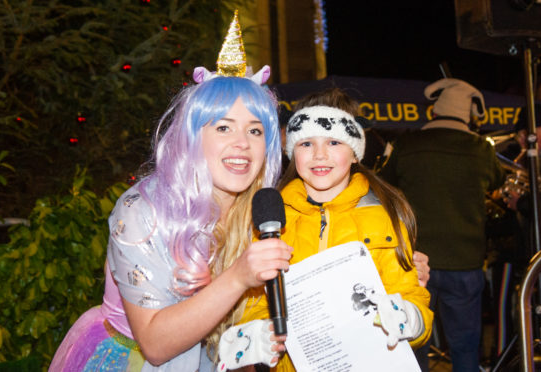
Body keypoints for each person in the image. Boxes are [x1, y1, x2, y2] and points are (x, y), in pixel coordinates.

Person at [49, 11, 291, 371]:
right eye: (224, 128)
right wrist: (239, 276)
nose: (242, 143)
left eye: (255, 131)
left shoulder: (261, 212)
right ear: (193, 137)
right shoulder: (141, 212)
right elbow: (156, 346)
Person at [240, 88, 433, 372]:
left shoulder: (383, 216)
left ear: (355, 153)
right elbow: (256, 298)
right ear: (292, 150)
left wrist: (410, 318)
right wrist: (258, 333)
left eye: (333, 142)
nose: (319, 155)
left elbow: (409, 291)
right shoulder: (273, 218)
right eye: (306, 143)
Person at [378, 78, 506, 372]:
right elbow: (498, 182)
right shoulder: (480, 149)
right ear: (468, 116)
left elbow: (383, 186)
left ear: (434, 111)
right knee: (464, 348)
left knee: (414, 345)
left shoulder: (408, 144)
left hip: (416, 263)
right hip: (465, 263)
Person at [503, 103, 541, 251]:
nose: (521, 141)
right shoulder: (533, 159)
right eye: (519, 136)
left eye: (523, 135)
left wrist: (521, 202)